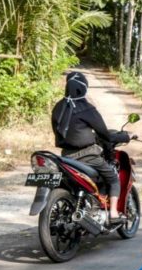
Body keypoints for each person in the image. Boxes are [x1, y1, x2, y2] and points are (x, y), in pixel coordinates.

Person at [51, 71, 132, 224]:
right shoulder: (86, 108)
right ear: (84, 88)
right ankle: (114, 213)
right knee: (114, 179)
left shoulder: (58, 107)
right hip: (88, 157)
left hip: (66, 157)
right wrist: (126, 136)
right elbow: (106, 135)